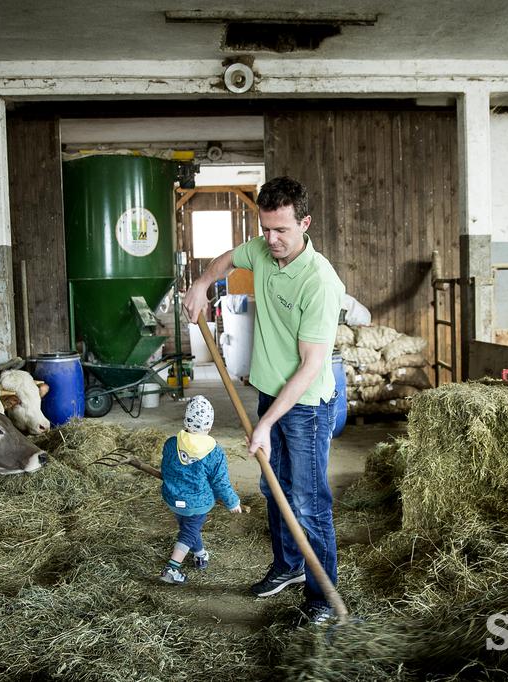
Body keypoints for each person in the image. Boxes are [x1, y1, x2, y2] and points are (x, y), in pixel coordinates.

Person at [182, 176, 344, 625]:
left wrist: (267, 423)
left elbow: (312, 365)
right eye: (265, 228)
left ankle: (321, 598)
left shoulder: (320, 281)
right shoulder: (261, 249)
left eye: (282, 231)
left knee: (309, 502)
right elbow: (226, 261)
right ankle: (289, 567)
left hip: (306, 405)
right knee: (276, 490)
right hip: (271, 392)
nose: (271, 240)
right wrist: (200, 284)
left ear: (305, 223)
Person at [159, 395, 242, 584]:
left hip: (173, 499)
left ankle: (200, 554)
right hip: (198, 503)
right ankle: (172, 568)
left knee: (188, 526)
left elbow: (165, 469)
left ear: (185, 421)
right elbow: (220, 482)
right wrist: (232, 502)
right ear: (209, 426)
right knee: (188, 532)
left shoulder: (171, 443)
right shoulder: (215, 452)